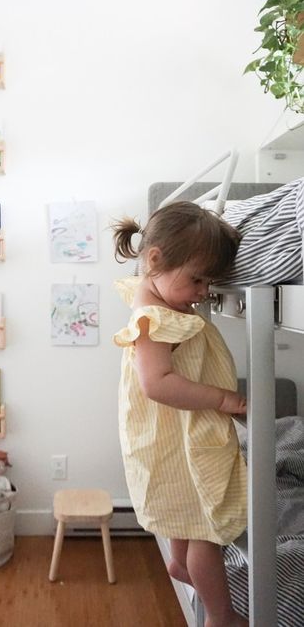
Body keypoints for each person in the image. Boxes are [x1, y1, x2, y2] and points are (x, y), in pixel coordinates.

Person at [112, 201, 248, 627]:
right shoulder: (152, 319)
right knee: (207, 528)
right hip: (178, 433)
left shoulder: (160, 301)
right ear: (155, 260)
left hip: (169, 436)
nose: (204, 291)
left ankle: (177, 562)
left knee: (182, 503)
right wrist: (224, 400)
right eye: (198, 279)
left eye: (209, 282)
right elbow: (157, 383)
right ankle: (221, 618)